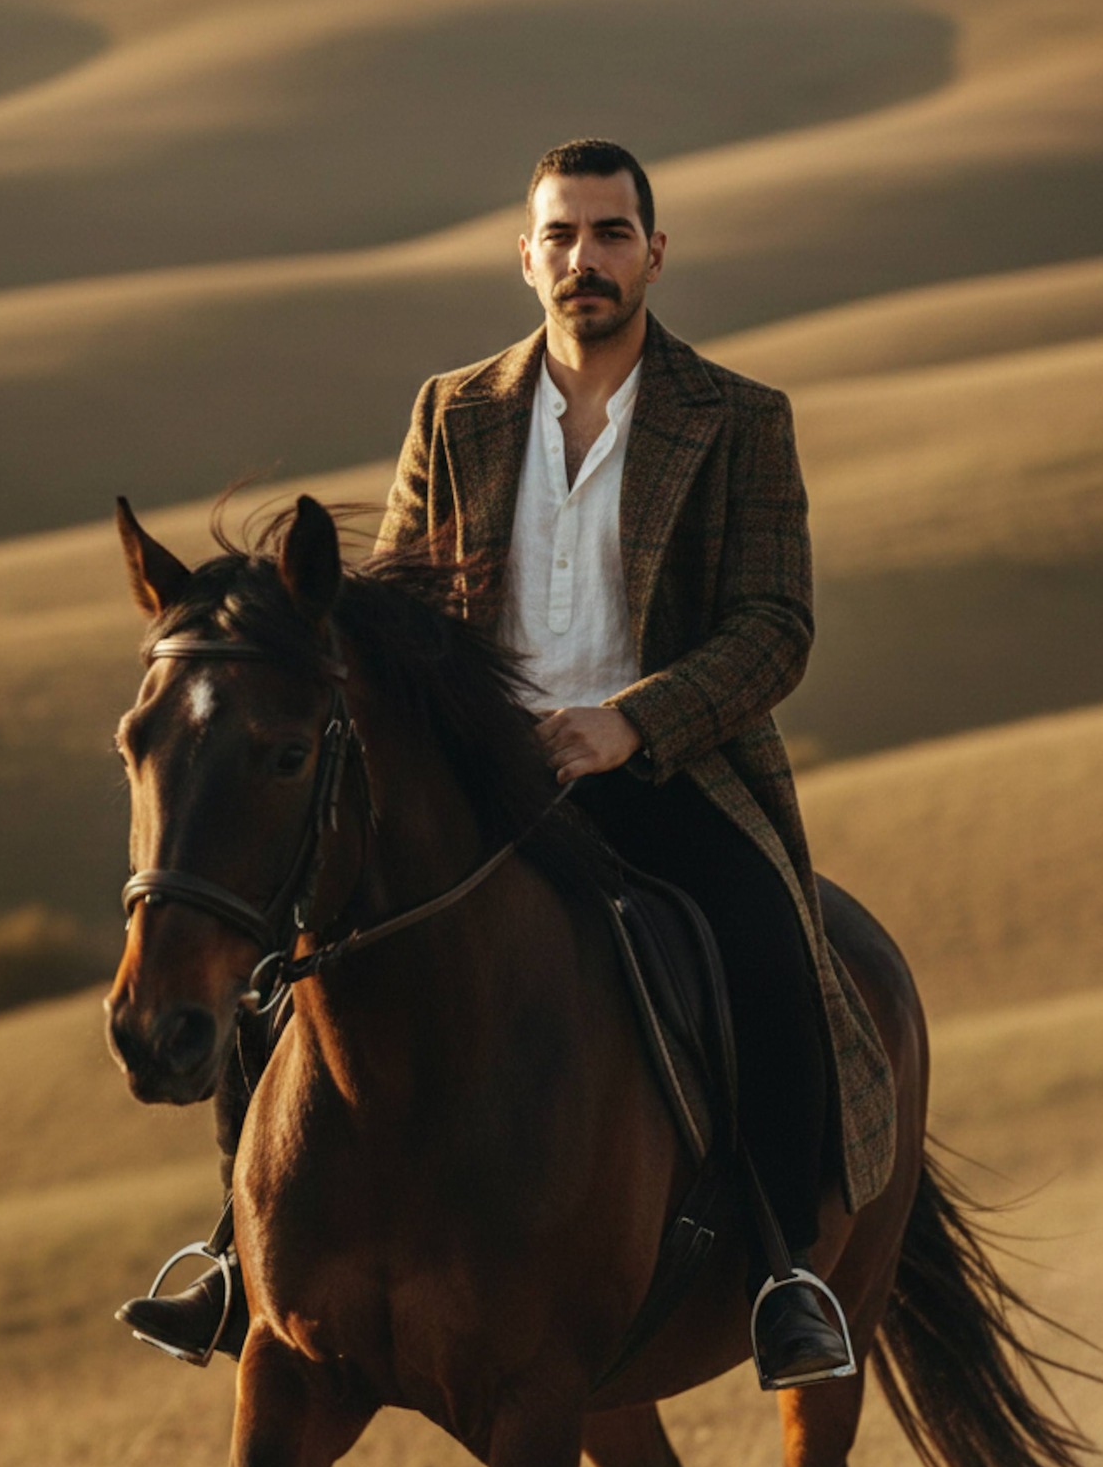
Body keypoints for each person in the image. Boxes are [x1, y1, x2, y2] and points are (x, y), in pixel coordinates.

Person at [121, 138, 896, 1384]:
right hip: (476, 783)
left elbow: (774, 628)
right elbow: (400, 605)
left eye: (607, 233)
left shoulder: (740, 418)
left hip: (661, 773)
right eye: (559, 236)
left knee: (765, 943)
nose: (582, 258)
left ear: (653, 250)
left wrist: (629, 721)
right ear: (524, 256)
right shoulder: (453, 408)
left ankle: (786, 1267)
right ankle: (236, 1257)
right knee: (287, 959)